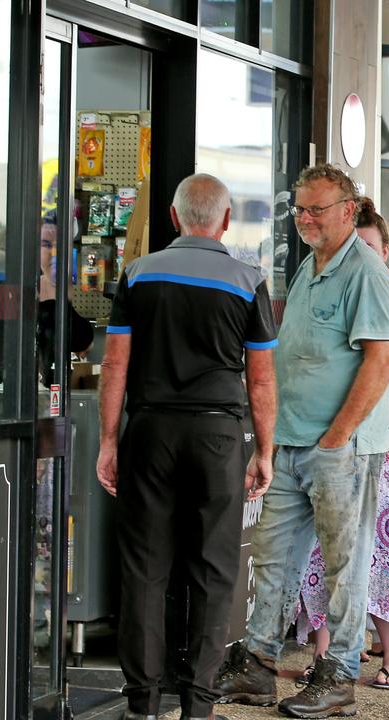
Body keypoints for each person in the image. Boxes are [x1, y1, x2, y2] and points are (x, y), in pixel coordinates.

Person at [214, 164, 389, 718]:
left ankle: (339, 673)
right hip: (293, 442)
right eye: (299, 208)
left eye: (316, 209)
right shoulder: (308, 266)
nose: (305, 219)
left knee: (345, 565)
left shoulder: (365, 271)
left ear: (349, 210)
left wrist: (337, 437)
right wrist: (270, 444)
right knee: (272, 557)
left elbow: (382, 360)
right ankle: (258, 663)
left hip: (340, 447)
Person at [96, 173, 278, 720]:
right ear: (225, 221)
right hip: (218, 437)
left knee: (145, 569)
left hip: (150, 431)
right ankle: (198, 705)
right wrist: (263, 450)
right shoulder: (248, 280)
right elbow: (262, 380)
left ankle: (142, 703)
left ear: (174, 219)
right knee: (213, 568)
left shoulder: (137, 274)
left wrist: (110, 441)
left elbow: (115, 365)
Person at [293, 198, 389, 691]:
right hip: (333, 420)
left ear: (386, 249)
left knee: (387, 536)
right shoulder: (325, 293)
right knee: (326, 535)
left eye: (370, 245)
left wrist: (378, 377)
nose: (361, 254)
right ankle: (327, 651)